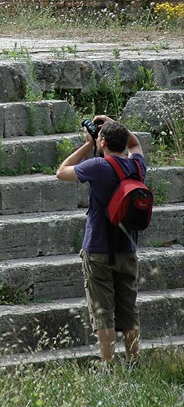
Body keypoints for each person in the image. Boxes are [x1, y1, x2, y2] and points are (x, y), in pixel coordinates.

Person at [56, 115, 145, 366]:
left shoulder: (97, 166)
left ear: (103, 141)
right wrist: (114, 125)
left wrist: (88, 144)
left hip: (98, 248)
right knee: (128, 310)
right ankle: (133, 362)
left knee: (103, 313)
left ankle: (107, 366)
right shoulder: (137, 166)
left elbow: (61, 172)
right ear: (123, 141)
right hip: (127, 248)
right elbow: (135, 145)